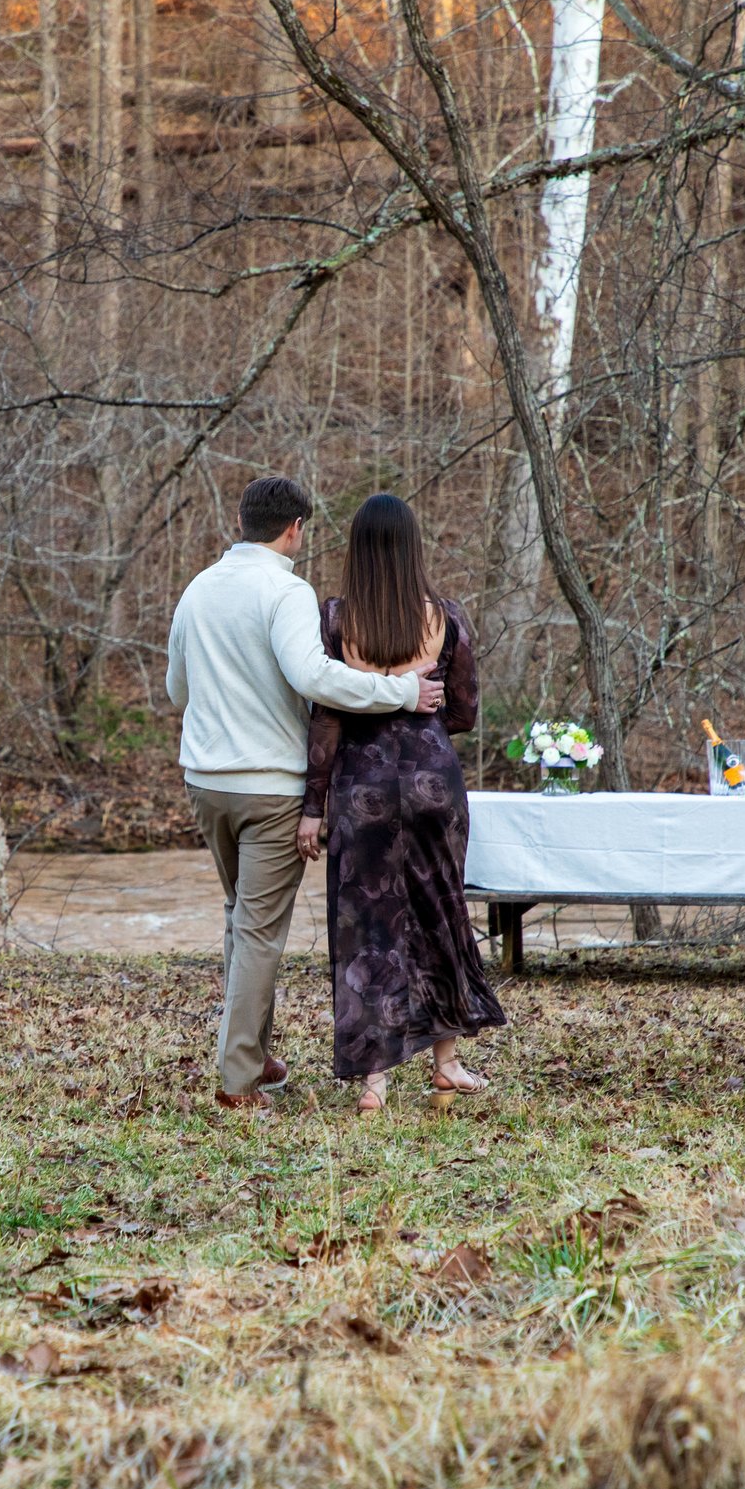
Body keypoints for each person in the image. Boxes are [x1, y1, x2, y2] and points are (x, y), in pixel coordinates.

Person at [166, 476, 445, 1110]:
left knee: (243, 921)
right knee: (260, 931)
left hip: (206, 783)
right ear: (294, 528)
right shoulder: (287, 592)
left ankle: (256, 1055)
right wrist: (402, 692)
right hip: (269, 787)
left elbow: (176, 691)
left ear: (243, 522)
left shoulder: (197, 589)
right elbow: (314, 677)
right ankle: (238, 1081)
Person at [299, 492, 505, 1113]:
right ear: (413, 547)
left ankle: (375, 1081)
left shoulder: (335, 619)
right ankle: (447, 1064)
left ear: (357, 549)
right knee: (439, 912)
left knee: (367, 926)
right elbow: (464, 710)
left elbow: (326, 719)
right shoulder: (445, 616)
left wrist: (314, 805)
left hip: (361, 787)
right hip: (431, 783)